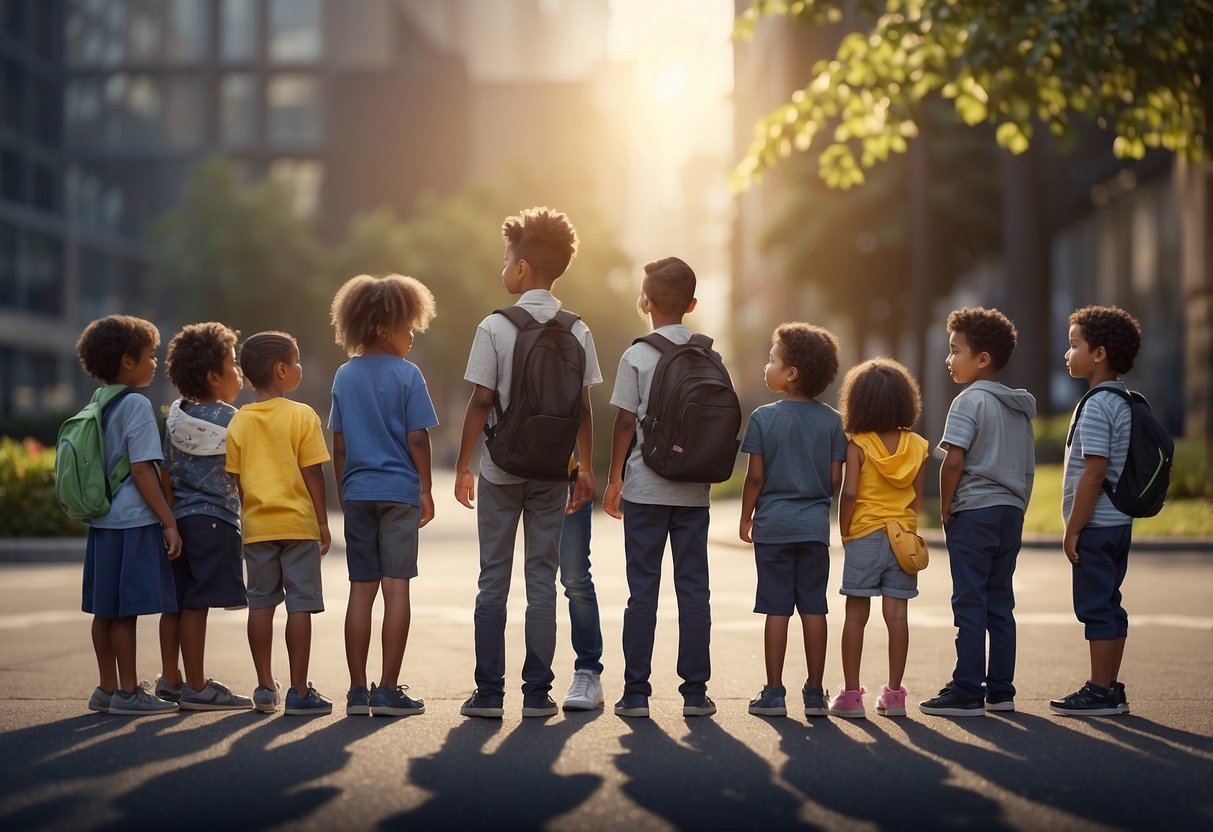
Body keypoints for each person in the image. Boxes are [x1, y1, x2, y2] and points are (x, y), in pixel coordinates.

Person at [455, 207, 601, 719]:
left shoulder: (494, 326)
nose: (504, 267)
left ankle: (490, 694)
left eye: (506, 259)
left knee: (493, 579)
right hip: (552, 473)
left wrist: (463, 464)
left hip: (500, 467)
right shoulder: (578, 329)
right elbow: (583, 407)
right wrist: (584, 466)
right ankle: (538, 693)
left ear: (521, 270)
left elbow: (480, 400)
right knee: (542, 581)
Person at [604, 256, 722, 719]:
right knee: (695, 589)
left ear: (645, 302)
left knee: (643, 591)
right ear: (692, 304)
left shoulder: (637, 355)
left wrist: (615, 479)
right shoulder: (708, 355)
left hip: (646, 491)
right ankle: (695, 692)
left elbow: (624, 423)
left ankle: (636, 693)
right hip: (693, 491)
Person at [328, 274, 438, 718]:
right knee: (396, 589)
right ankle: (388, 691)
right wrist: (426, 488)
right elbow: (417, 438)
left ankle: (357, 691)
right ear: (380, 328)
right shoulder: (409, 375)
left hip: (358, 493)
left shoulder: (344, 374)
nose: (411, 334)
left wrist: (344, 488)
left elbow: (338, 443)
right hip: (398, 493)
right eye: (405, 325)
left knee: (361, 590)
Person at [920, 307, 1036, 718]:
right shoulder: (1019, 407)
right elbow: (1027, 466)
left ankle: (967, 688)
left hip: (975, 512)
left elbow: (953, 461)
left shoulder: (968, 401)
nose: (949, 360)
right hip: (1010, 512)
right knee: (1000, 603)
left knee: (969, 602)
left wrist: (947, 507)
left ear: (982, 358)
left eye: (955, 351)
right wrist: (1019, 504)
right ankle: (1001, 690)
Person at [76, 315, 181, 715]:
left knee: (104, 609)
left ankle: (106, 688)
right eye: (150, 356)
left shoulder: (98, 401)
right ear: (127, 361)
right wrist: (168, 521)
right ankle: (128, 693)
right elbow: (142, 470)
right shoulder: (136, 404)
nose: (155, 363)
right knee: (126, 611)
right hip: (132, 522)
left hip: (101, 521)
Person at [740, 323, 845, 719]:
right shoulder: (832, 421)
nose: (768, 366)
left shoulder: (764, 419)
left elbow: (755, 477)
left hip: (774, 528)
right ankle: (816, 693)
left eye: (772, 359)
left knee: (776, 608)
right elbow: (836, 479)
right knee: (814, 607)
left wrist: (746, 516)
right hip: (814, 528)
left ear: (792, 373)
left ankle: (773, 693)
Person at [226, 331, 332, 716]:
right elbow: (313, 474)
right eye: (298, 360)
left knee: (261, 604)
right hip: (299, 525)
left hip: (257, 528)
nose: (301, 367)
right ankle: (300, 691)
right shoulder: (303, 416)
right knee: (300, 605)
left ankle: (265, 686)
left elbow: (237, 479)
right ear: (282, 370)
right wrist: (321, 521)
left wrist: (251, 510)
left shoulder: (239, 421)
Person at [1050, 305, 1142, 717]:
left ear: (1099, 353)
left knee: (1095, 607)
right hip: (1118, 522)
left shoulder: (1097, 405)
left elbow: (1094, 473)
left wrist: (1073, 528)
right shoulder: (1123, 400)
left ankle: (1099, 691)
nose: (1067, 354)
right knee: (1110, 603)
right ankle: (1110, 687)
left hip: (1097, 525)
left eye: (1074, 345)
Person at [156, 321, 253, 711]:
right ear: (214, 376)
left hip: (179, 521)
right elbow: (243, 474)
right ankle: (197, 687)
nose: (239, 372)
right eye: (233, 364)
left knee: (174, 604)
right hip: (215, 523)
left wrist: (170, 516)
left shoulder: (176, 417)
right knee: (197, 605)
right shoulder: (233, 420)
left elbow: (164, 470)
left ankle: (171, 679)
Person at [833, 358, 928, 719]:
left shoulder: (858, 445)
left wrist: (845, 529)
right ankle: (894, 694)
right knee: (897, 616)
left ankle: (852, 695)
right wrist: (909, 528)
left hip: (864, 534)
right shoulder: (917, 446)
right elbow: (918, 498)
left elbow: (851, 493)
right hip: (902, 538)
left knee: (855, 616)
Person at [558, 455, 606, 711]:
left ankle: (588, 671)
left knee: (574, 578)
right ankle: (535, 687)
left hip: (564, 477)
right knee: (514, 581)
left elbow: (582, 413)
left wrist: (586, 466)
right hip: (509, 476)